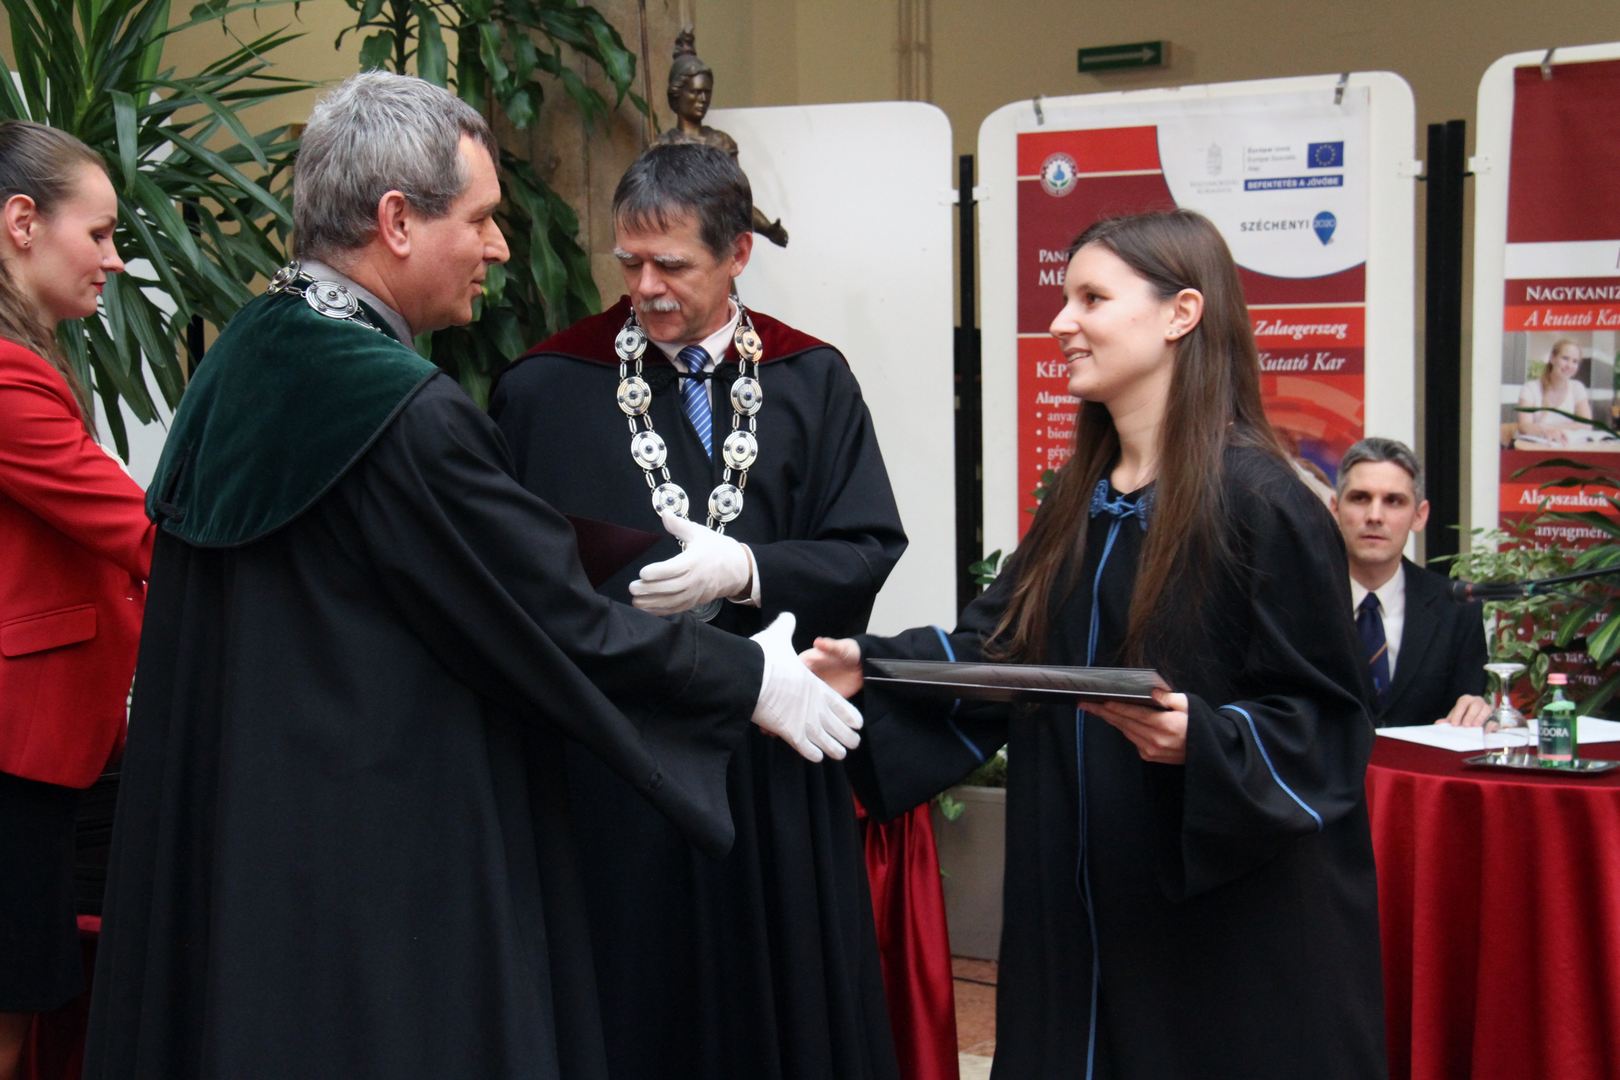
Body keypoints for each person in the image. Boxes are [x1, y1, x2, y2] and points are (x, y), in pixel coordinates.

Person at [82, 72, 861, 1080]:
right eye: (483, 218)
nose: (499, 247)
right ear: (397, 221)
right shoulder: (398, 409)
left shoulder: (248, 356)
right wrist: (750, 678)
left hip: (252, 845)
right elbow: (547, 619)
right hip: (383, 869)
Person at [806, 209, 1386, 1078]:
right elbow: (1003, 647)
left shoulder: (1264, 502)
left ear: (1181, 313)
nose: (1061, 322)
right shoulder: (1079, 503)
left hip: (1215, 939)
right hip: (1074, 914)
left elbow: (1329, 725)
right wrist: (873, 667)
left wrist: (1208, 739)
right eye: (1063, 298)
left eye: (1091, 298)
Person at [491, 140, 944, 1080]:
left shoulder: (812, 379)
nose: (644, 288)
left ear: (738, 253)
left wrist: (748, 570)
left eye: (671, 265)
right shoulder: (545, 388)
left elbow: (867, 546)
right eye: (628, 262)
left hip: (772, 760)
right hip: (620, 764)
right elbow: (518, 580)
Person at [0, 121, 152, 1080]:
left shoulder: (30, 360)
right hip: (14, 755)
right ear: (22, 222)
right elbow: (136, 529)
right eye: (97, 233)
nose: (115, 258)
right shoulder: (6, 374)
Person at [1331, 437, 1489, 727]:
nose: (1375, 516)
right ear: (1334, 509)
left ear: (1419, 516)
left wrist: (1476, 712)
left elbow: (1467, 715)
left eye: (1393, 501)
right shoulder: (1299, 603)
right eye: (1360, 498)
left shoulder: (1457, 609)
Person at [656, 28, 789, 247]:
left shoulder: (721, 144)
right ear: (677, 93)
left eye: (707, 92)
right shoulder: (660, 148)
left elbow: (738, 204)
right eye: (695, 92)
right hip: (675, 246)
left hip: (715, 245)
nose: (702, 99)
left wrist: (767, 228)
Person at [1516, 337, 1592, 442]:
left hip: (1566, 447)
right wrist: (1550, 431)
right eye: (1565, 358)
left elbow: (1587, 425)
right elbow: (1524, 426)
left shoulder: (1577, 388)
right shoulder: (1530, 388)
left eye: (1575, 361)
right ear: (1552, 358)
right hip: (1536, 447)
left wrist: (1552, 429)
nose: (1569, 365)